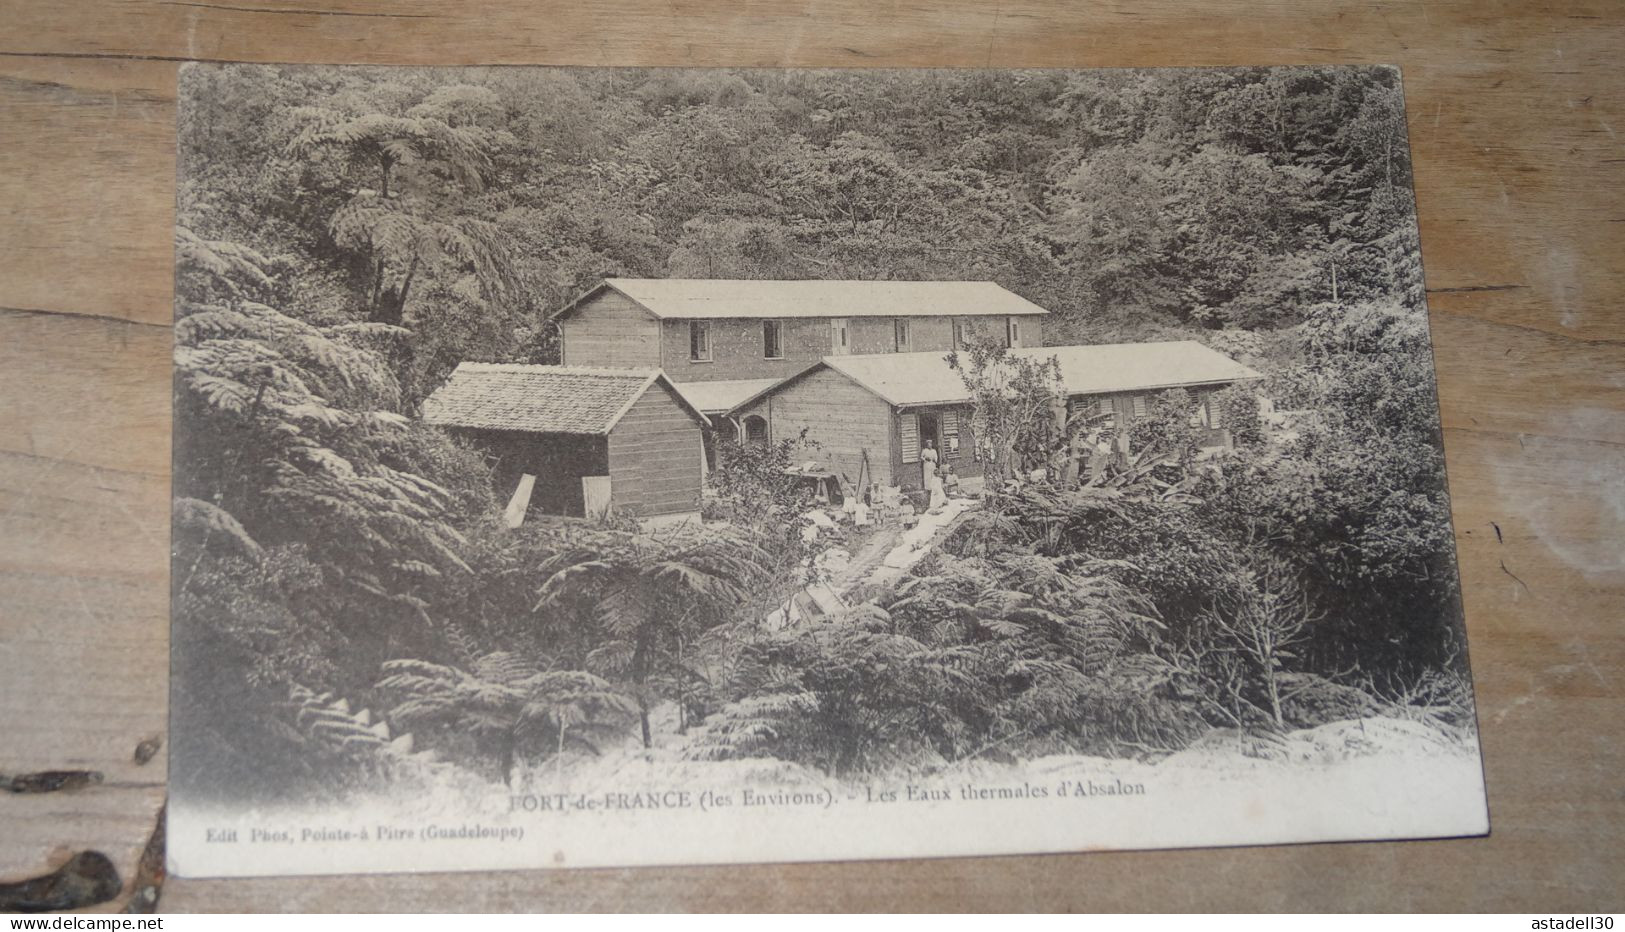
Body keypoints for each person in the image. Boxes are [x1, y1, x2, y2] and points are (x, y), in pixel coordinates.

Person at [921, 439, 946, 512]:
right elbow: (921, 457)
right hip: (926, 464)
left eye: (930, 444)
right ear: (926, 444)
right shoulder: (924, 450)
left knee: (933, 475)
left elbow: (936, 457)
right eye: (928, 444)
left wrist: (934, 459)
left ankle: (934, 487)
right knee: (927, 476)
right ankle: (928, 487)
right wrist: (925, 458)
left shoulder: (934, 451)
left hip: (932, 464)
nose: (930, 445)